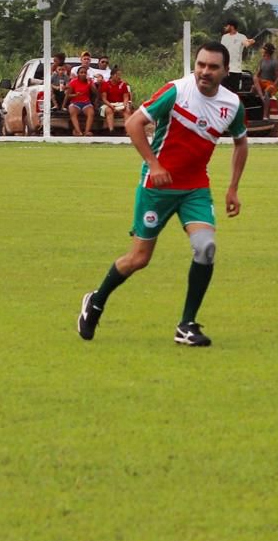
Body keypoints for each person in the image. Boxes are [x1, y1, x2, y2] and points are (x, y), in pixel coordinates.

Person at [77, 42, 249, 347]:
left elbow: (240, 143)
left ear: (225, 71)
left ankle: (187, 325)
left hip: (195, 188)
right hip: (156, 189)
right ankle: (96, 300)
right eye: (201, 65)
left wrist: (233, 187)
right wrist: (153, 165)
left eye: (212, 67)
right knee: (139, 259)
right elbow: (133, 124)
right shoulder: (176, 91)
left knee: (206, 248)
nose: (204, 72)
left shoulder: (232, 104)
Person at [220, 19, 254, 90]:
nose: (225, 27)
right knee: (222, 91)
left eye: (227, 26)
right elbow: (221, 51)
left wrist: (251, 42)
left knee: (234, 92)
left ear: (231, 26)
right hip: (224, 70)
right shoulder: (224, 37)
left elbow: (246, 44)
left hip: (235, 70)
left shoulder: (241, 37)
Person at [99, 65, 132, 134]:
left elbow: (126, 97)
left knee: (127, 110)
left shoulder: (123, 84)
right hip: (109, 103)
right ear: (112, 75)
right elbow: (104, 99)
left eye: (120, 75)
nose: (119, 77)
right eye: (117, 75)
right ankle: (111, 130)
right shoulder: (105, 84)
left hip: (120, 103)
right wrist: (111, 106)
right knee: (109, 110)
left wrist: (124, 105)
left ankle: (128, 130)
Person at [66, 65, 97, 136]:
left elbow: (96, 92)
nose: (83, 74)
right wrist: (75, 95)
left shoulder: (89, 81)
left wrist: (91, 84)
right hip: (75, 103)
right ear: (78, 74)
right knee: (72, 111)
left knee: (91, 113)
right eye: (81, 72)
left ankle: (87, 131)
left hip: (86, 103)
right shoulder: (73, 82)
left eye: (85, 73)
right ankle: (78, 131)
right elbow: (68, 95)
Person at [253, 43, 278, 118]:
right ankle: (261, 98)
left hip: (271, 84)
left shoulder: (274, 62)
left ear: (267, 51)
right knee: (253, 86)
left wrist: (273, 85)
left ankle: (265, 115)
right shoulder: (262, 61)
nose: (262, 51)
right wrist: (256, 77)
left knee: (267, 92)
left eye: (263, 49)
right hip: (262, 83)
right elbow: (257, 74)